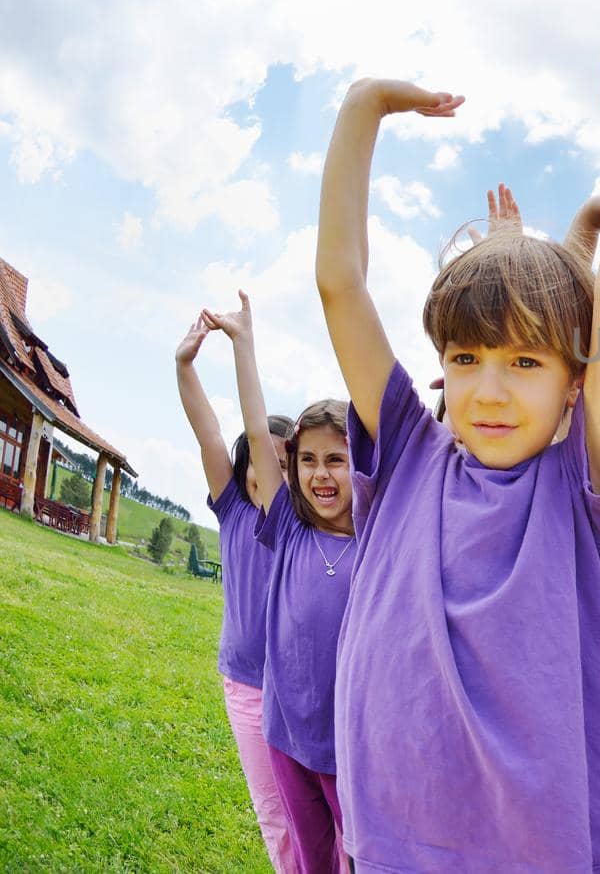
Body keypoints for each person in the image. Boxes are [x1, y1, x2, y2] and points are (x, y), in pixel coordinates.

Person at [317, 2, 600, 873]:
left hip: (545, 847)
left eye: (525, 362)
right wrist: (363, 106)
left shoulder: (581, 484)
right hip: (399, 845)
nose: (487, 389)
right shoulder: (406, 452)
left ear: (577, 382)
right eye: (468, 355)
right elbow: (339, 282)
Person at [206, 293, 353, 874]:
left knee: (360, 857)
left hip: (351, 750)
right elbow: (253, 427)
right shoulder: (288, 530)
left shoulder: (382, 540)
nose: (320, 473)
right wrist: (244, 344)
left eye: (337, 460)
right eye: (308, 460)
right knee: (310, 860)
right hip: (286, 739)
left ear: (360, 464)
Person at [173, 312, 300, 873]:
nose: (265, 468)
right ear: (246, 463)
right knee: (273, 812)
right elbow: (209, 433)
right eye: (259, 456)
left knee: (312, 808)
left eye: (281, 459)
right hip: (247, 688)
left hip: (300, 689)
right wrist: (184, 367)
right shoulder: (231, 513)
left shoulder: (301, 528)